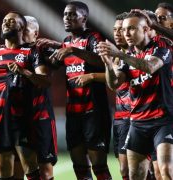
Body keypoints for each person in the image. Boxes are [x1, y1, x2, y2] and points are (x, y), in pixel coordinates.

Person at [97, 11, 173, 180]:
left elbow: (150, 66)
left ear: (146, 29)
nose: (126, 34)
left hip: (164, 120)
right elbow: (114, 84)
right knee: (134, 175)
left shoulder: (161, 46)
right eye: (124, 30)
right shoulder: (127, 55)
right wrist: (109, 65)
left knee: (166, 171)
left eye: (132, 29)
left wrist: (119, 54)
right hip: (138, 122)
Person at [49, 1, 112, 179]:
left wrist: (74, 51)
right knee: (79, 164)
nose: (67, 18)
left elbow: (102, 62)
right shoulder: (67, 42)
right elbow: (53, 64)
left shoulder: (94, 37)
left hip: (94, 111)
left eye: (72, 15)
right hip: (73, 112)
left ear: (84, 18)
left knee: (99, 165)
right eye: (65, 15)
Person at [0, 11, 51, 179]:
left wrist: (24, 72)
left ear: (22, 27)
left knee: (30, 165)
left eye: (12, 21)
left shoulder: (32, 52)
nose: (6, 23)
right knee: (3, 167)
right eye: (5, 20)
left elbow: (45, 81)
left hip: (22, 120)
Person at [23, 15, 58, 180]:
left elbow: (65, 57)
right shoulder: (6, 51)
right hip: (17, 118)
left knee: (45, 169)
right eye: (19, 28)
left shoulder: (43, 49)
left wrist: (59, 46)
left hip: (40, 116)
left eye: (26, 29)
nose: (21, 32)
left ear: (35, 33)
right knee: (22, 167)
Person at [111, 12, 131, 180]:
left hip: (133, 118)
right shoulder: (117, 56)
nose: (117, 33)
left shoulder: (135, 55)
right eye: (115, 30)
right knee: (124, 170)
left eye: (121, 30)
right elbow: (113, 85)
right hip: (119, 117)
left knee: (128, 169)